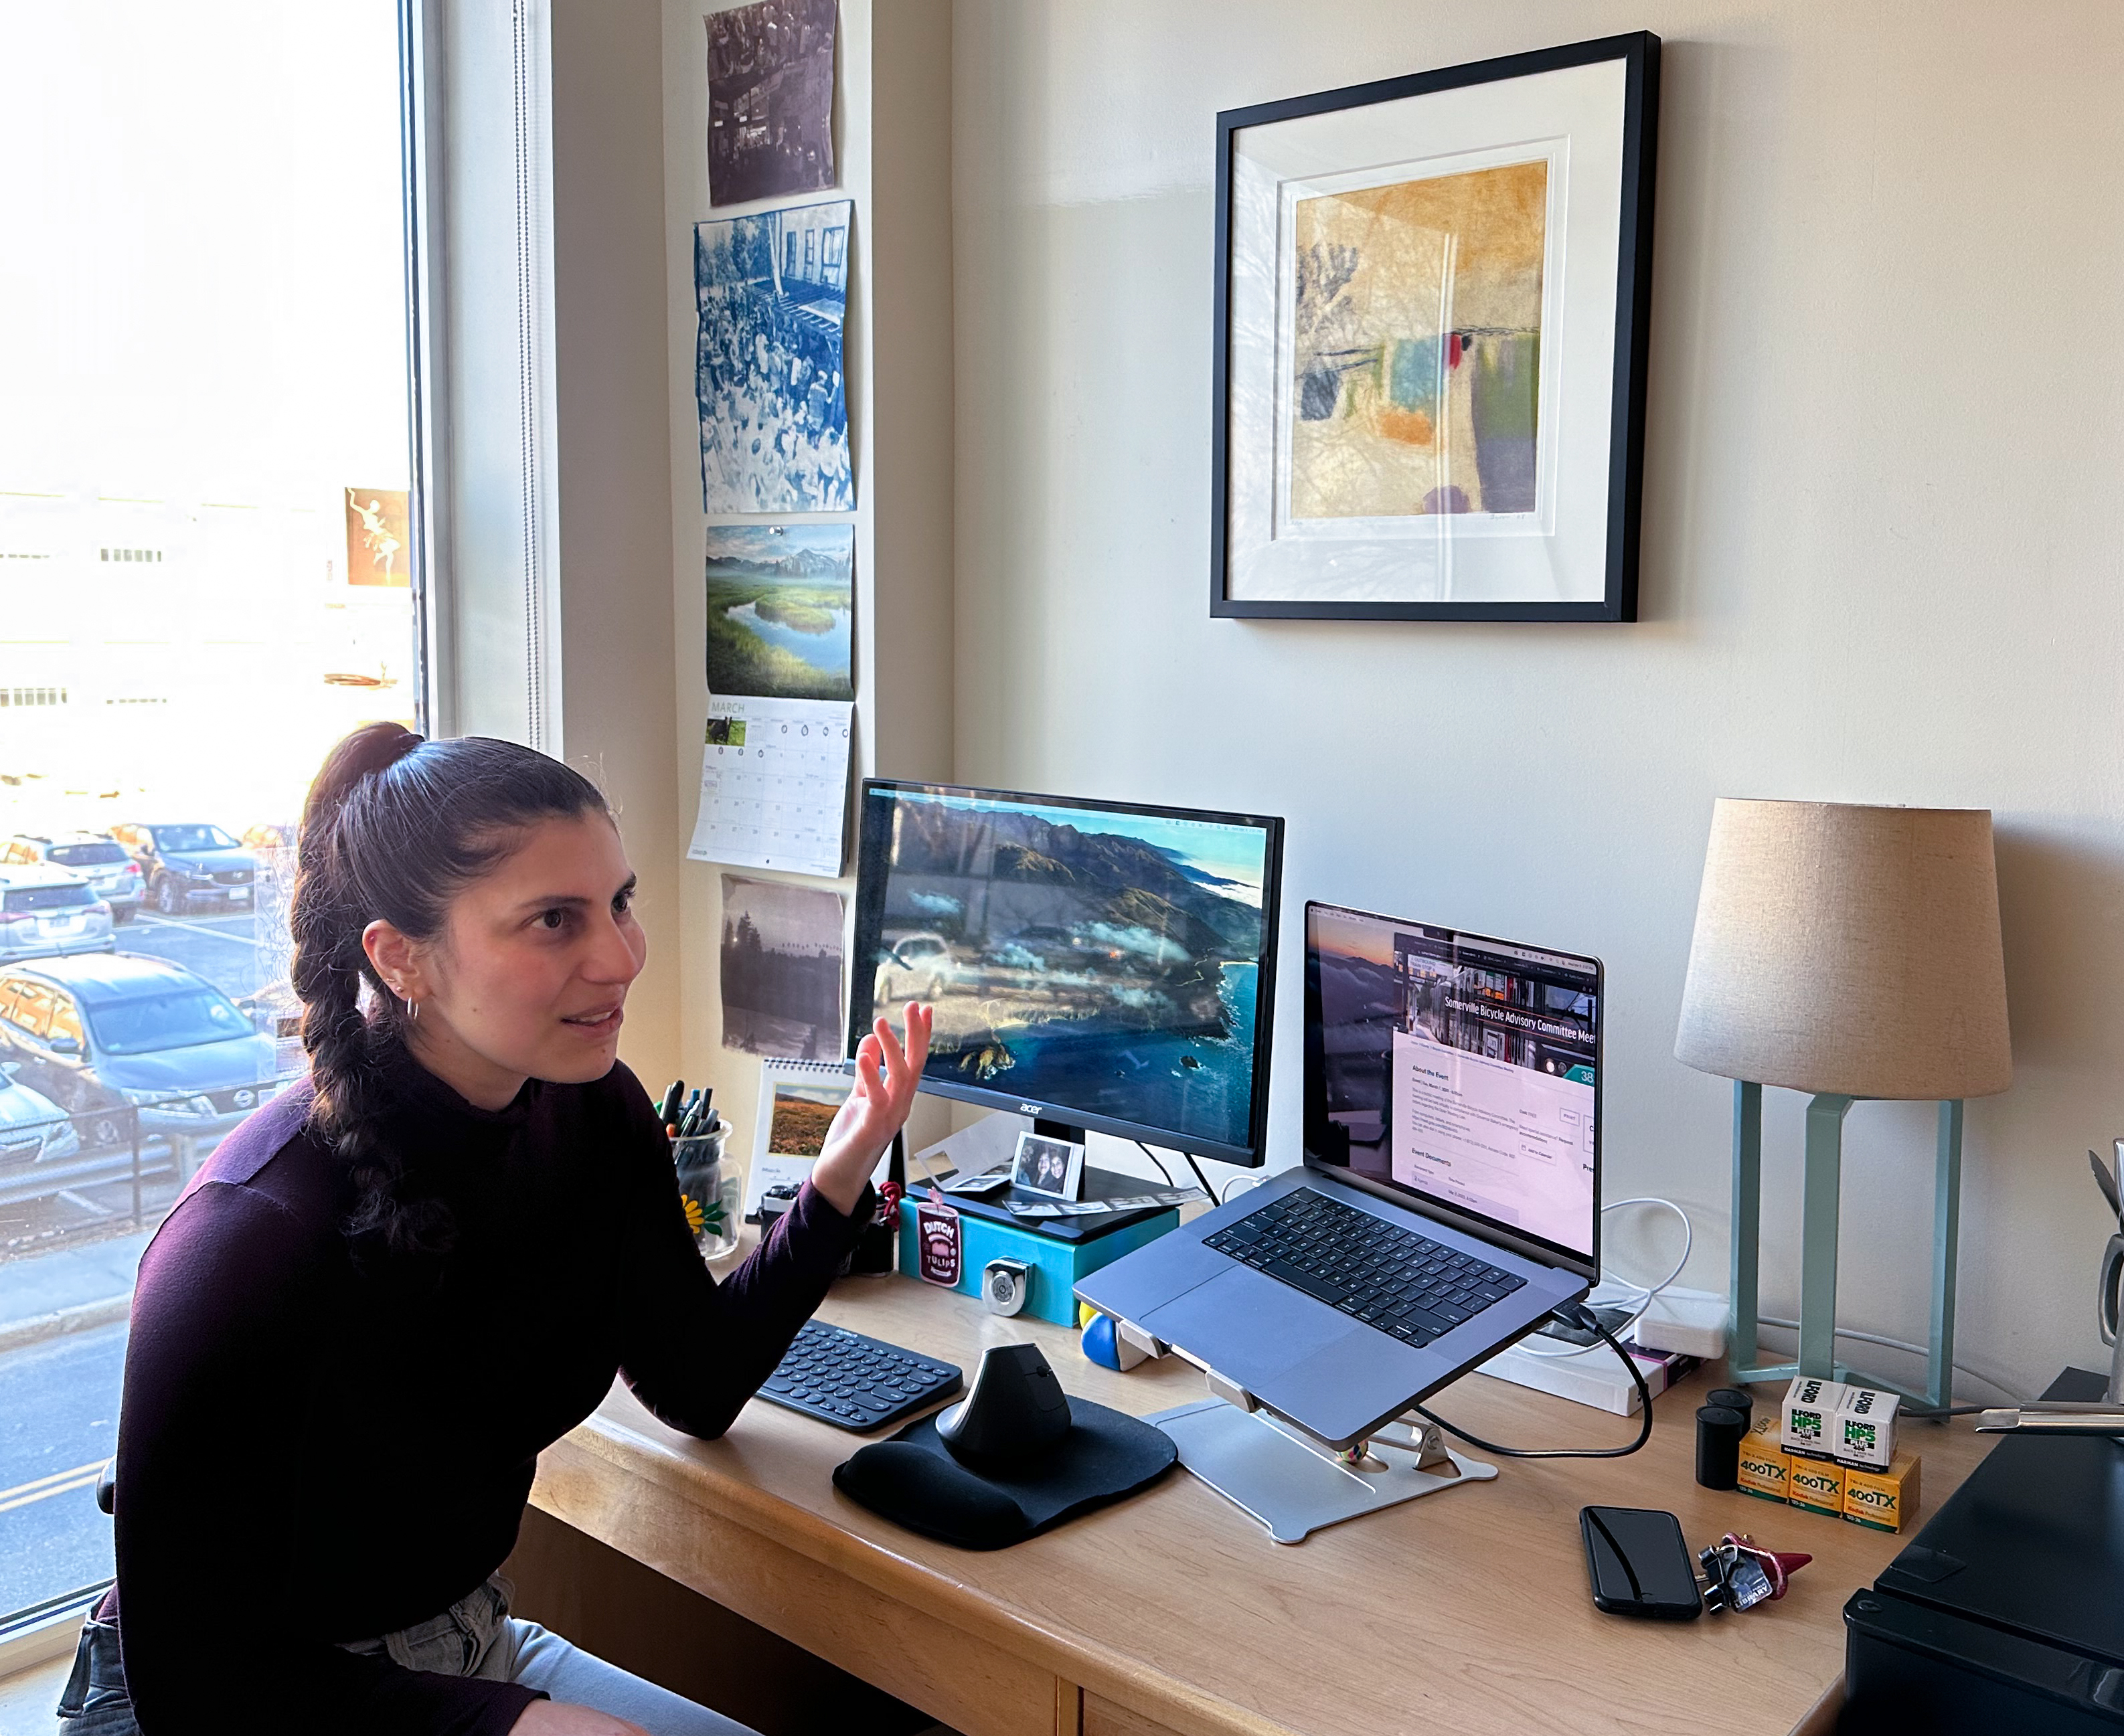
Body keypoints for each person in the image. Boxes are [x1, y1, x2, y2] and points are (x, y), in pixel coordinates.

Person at [57, 724, 932, 1736]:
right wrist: (509, 1728)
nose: (620, 956)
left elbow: (696, 1382)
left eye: (619, 903)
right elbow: (202, 1686)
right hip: (223, 1704)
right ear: (402, 960)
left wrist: (841, 1171)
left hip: (466, 1643)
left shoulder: (594, 1116)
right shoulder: (249, 1237)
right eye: (554, 920)